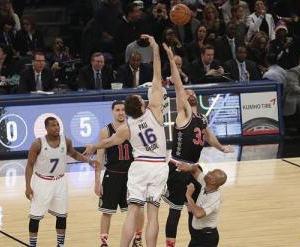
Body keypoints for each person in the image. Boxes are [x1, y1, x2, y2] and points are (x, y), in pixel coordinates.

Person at [84, 34, 167, 247]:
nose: (143, 98)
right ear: (141, 106)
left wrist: (93, 145)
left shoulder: (126, 127)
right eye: (141, 98)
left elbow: (108, 142)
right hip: (158, 165)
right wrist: (156, 49)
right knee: (154, 215)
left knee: (132, 212)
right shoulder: (155, 111)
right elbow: (158, 76)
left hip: (139, 167)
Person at [162, 44, 233, 247]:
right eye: (187, 91)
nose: (188, 92)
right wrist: (170, 59)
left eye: (191, 91)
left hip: (194, 168)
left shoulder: (202, 118)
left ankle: (197, 240)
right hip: (177, 166)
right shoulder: (184, 114)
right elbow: (177, 86)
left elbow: (208, 136)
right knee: (175, 210)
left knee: (194, 207)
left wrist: (221, 148)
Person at [24, 117, 96, 247]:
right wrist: (28, 186)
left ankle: (60, 244)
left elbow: (73, 154)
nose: (56, 127)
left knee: (62, 215)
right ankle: (33, 244)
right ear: (46, 128)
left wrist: (88, 160)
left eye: (57, 125)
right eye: (53, 125)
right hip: (42, 182)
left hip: (60, 181)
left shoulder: (66, 141)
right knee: (35, 216)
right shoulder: (38, 144)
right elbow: (29, 165)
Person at [95, 100, 145, 247]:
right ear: (112, 112)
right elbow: (99, 158)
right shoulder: (106, 131)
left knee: (138, 210)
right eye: (117, 110)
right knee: (107, 211)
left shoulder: (134, 128)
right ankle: (104, 243)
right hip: (112, 175)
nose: (121, 112)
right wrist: (97, 181)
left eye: (123, 109)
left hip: (132, 176)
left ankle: (137, 239)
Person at [175, 163, 227, 247]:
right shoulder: (207, 184)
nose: (209, 171)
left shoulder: (214, 198)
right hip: (197, 236)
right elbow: (195, 170)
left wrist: (188, 196)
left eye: (211, 173)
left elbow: (199, 214)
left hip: (206, 239)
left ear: (213, 181)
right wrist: (189, 166)